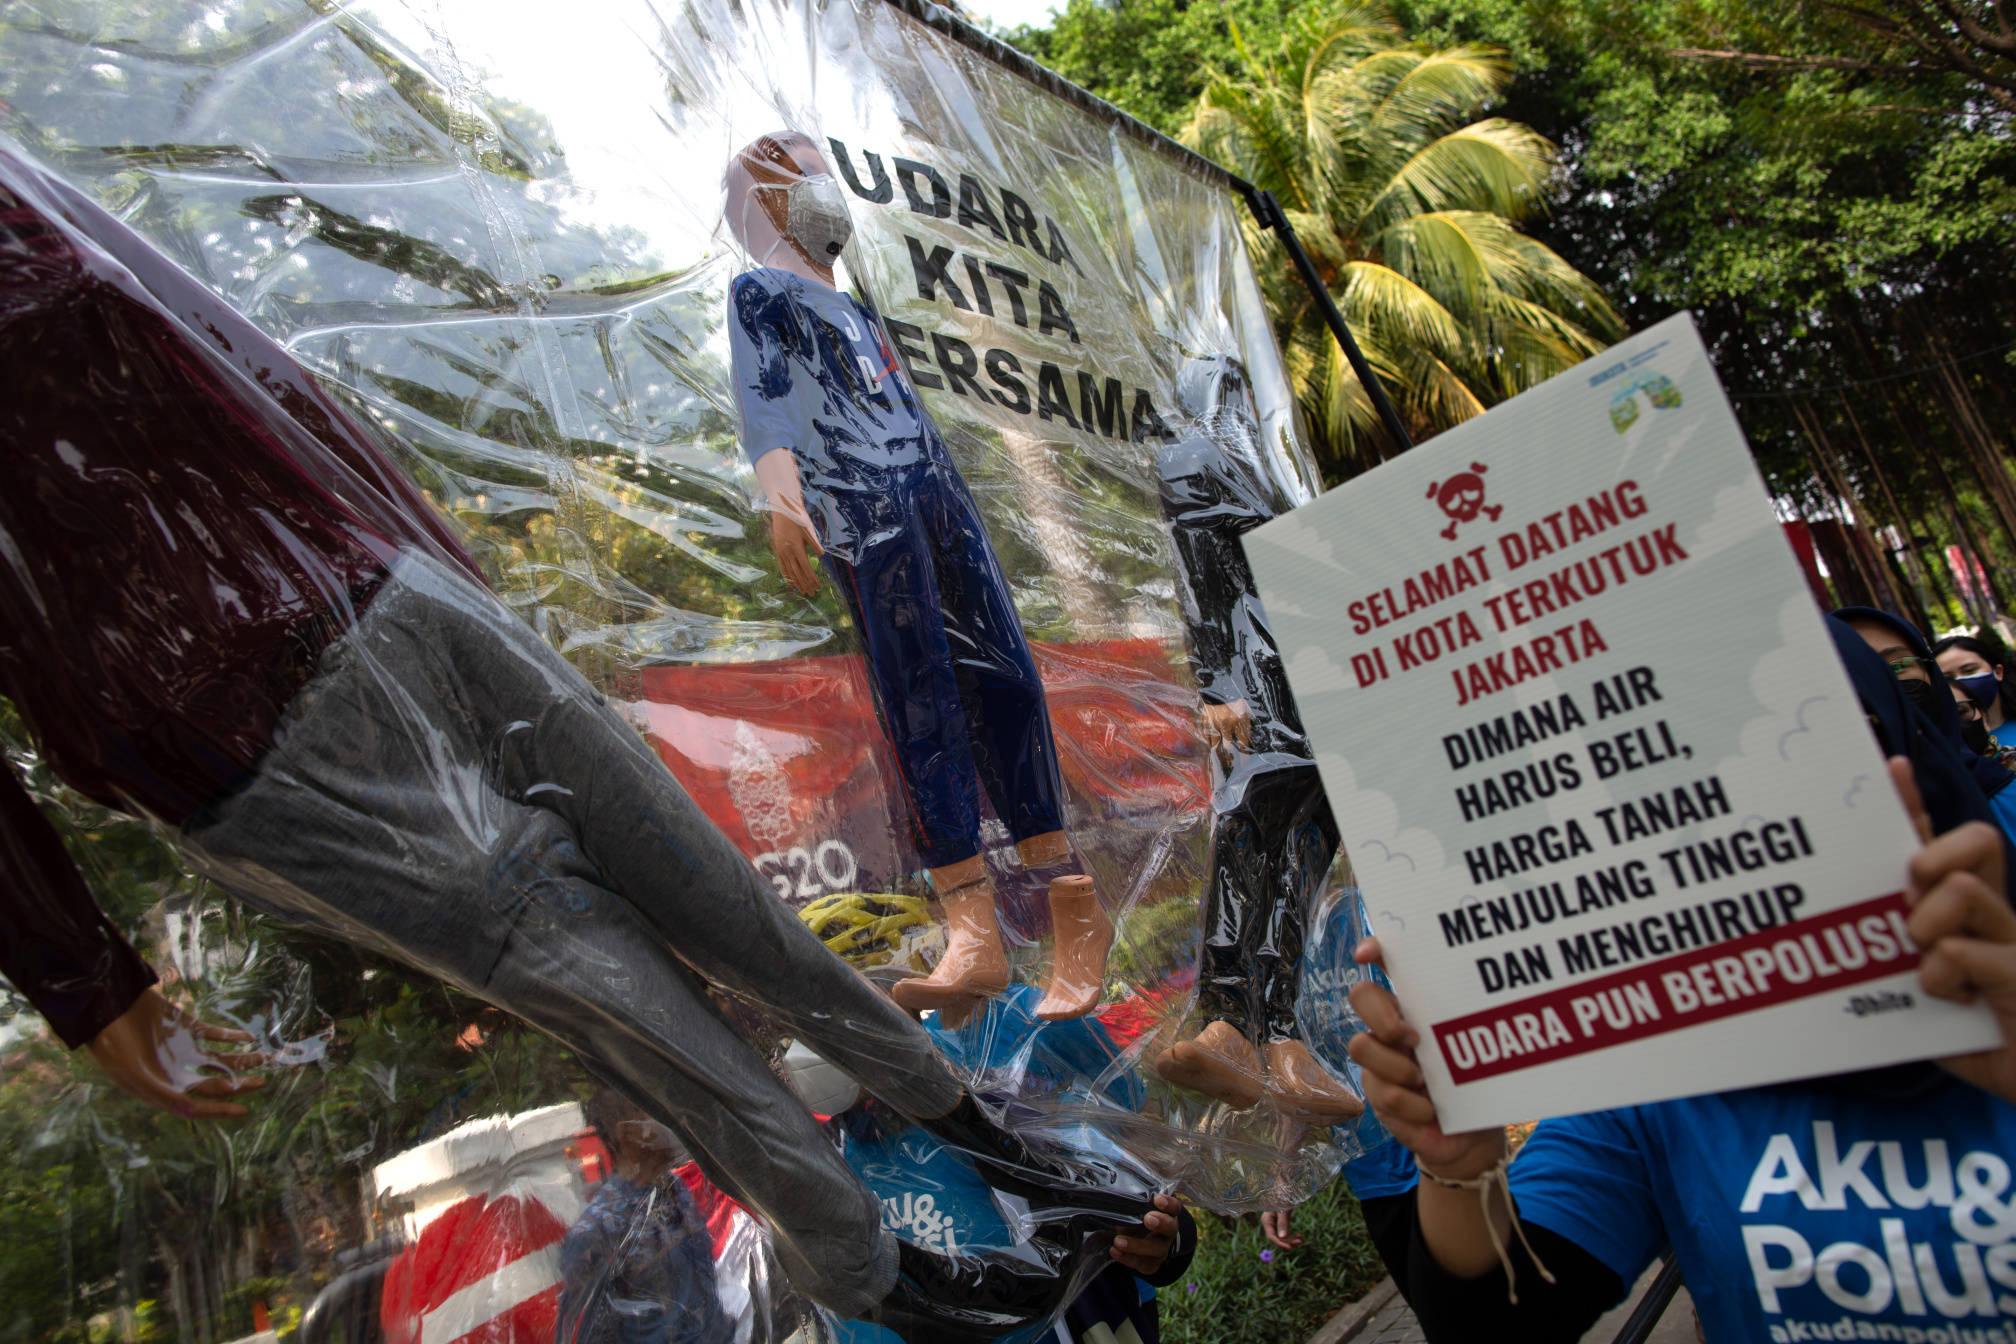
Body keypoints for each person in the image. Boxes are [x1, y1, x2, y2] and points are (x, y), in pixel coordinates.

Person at [0, 145, 1142, 1338]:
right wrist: (79, 972)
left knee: (733, 912)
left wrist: (436, 559)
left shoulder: (17, 189)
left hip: (394, 597)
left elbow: (235, 369)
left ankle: (981, 1135)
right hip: (250, 748)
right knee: (638, 1016)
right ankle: (879, 1276)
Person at [1342, 617, 2016, 1342]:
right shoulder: (1660, 1061)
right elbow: (1498, 1324)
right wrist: (1457, 1166)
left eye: (1830, 741)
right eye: (1705, 773)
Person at [723, 130, 1112, 1024]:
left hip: (935, 489)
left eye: (816, 171)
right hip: (863, 503)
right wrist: (783, 495)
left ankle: (1072, 904)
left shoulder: (862, 308)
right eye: (795, 180)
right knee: (920, 693)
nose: (822, 189)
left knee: (1005, 672)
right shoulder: (760, 292)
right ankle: (970, 924)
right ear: (767, 208)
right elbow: (764, 394)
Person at [1148, 354, 1362, 1123]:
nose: (1242, 405)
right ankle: (1231, 1019)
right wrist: (1217, 683)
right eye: (1230, 391)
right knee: (1252, 836)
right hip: (1260, 683)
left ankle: (1276, 1030)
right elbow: (1196, 565)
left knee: (1301, 848)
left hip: (1309, 685)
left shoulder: (1256, 470)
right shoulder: (1197, 456)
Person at [560, 1090, 734, 1344]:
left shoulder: (673, 1188)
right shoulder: (596, 1231)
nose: (670, 1115)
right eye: (652, 1108)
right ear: (629, 1134)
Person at [1838, 607, 2016, 847]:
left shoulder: (2009, 792)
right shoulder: (1830, 836)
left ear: (1934, 677)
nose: (1880, 686)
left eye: (1897, 667)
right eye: (1854, 676)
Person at [1935, 634, 2016, 767]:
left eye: (1969, 670)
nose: (1961, 681)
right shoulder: (1950, 749)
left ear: (1998, 672)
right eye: (1948, 678)